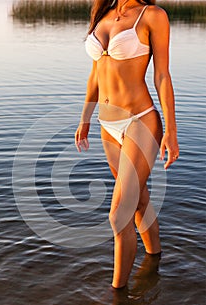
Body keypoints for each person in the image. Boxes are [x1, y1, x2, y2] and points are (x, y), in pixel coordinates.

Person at [75, 0, 179, 289]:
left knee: (118, 213)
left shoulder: (152, 16)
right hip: (107, 126)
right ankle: (154, 259)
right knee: (138, 201)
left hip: (140, 121)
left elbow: (161, 75)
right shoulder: (102, 14)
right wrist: (85, 117)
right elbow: (96, 73)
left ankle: (116, 298)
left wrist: (170, 129)